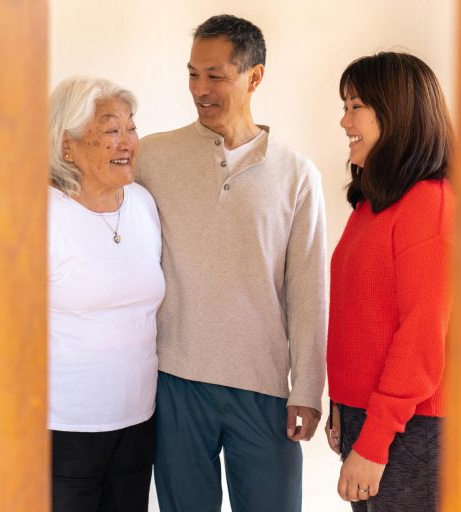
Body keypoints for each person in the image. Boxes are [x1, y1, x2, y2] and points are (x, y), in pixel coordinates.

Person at [135, 14, 327, 512]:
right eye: (193, 74)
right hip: (176, 381)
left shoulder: (297, 175)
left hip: (263, 388)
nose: (200, 89)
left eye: (215, 76)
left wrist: (307, 389)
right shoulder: (151, 157)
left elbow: (308, 291)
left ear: (254, 77)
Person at [324, 52, 455, 511]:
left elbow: (421, 336)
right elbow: (358, 316)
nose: (344, 122)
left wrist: (375, 438)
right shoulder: (371, 205)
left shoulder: (429, 204)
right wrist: (342, 402)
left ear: (395, 112)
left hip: (410, 429)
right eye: (344, 107)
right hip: (370, 418)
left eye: (355, 106)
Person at [47, 76, 165, 512]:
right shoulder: (38, 215)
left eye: (131, 128)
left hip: (137, 421)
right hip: (62, 428)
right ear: (67, 145)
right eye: (112, 130)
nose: (127, 142)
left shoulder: (143, 204)